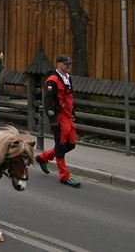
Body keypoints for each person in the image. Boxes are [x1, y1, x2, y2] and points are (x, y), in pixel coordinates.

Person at [35, 55, 81, 188]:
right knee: (60, 146)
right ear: (58, 64)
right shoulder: (53, 80)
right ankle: (64, 175)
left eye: (70, 63)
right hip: (59, 117)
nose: (69, 65)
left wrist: (73, 113)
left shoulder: (67, 78)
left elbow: (69, 97)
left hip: (67, 116)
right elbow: (48, 101)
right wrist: (52, 119)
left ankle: (43, 157)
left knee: (71, 144)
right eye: (66, 64)